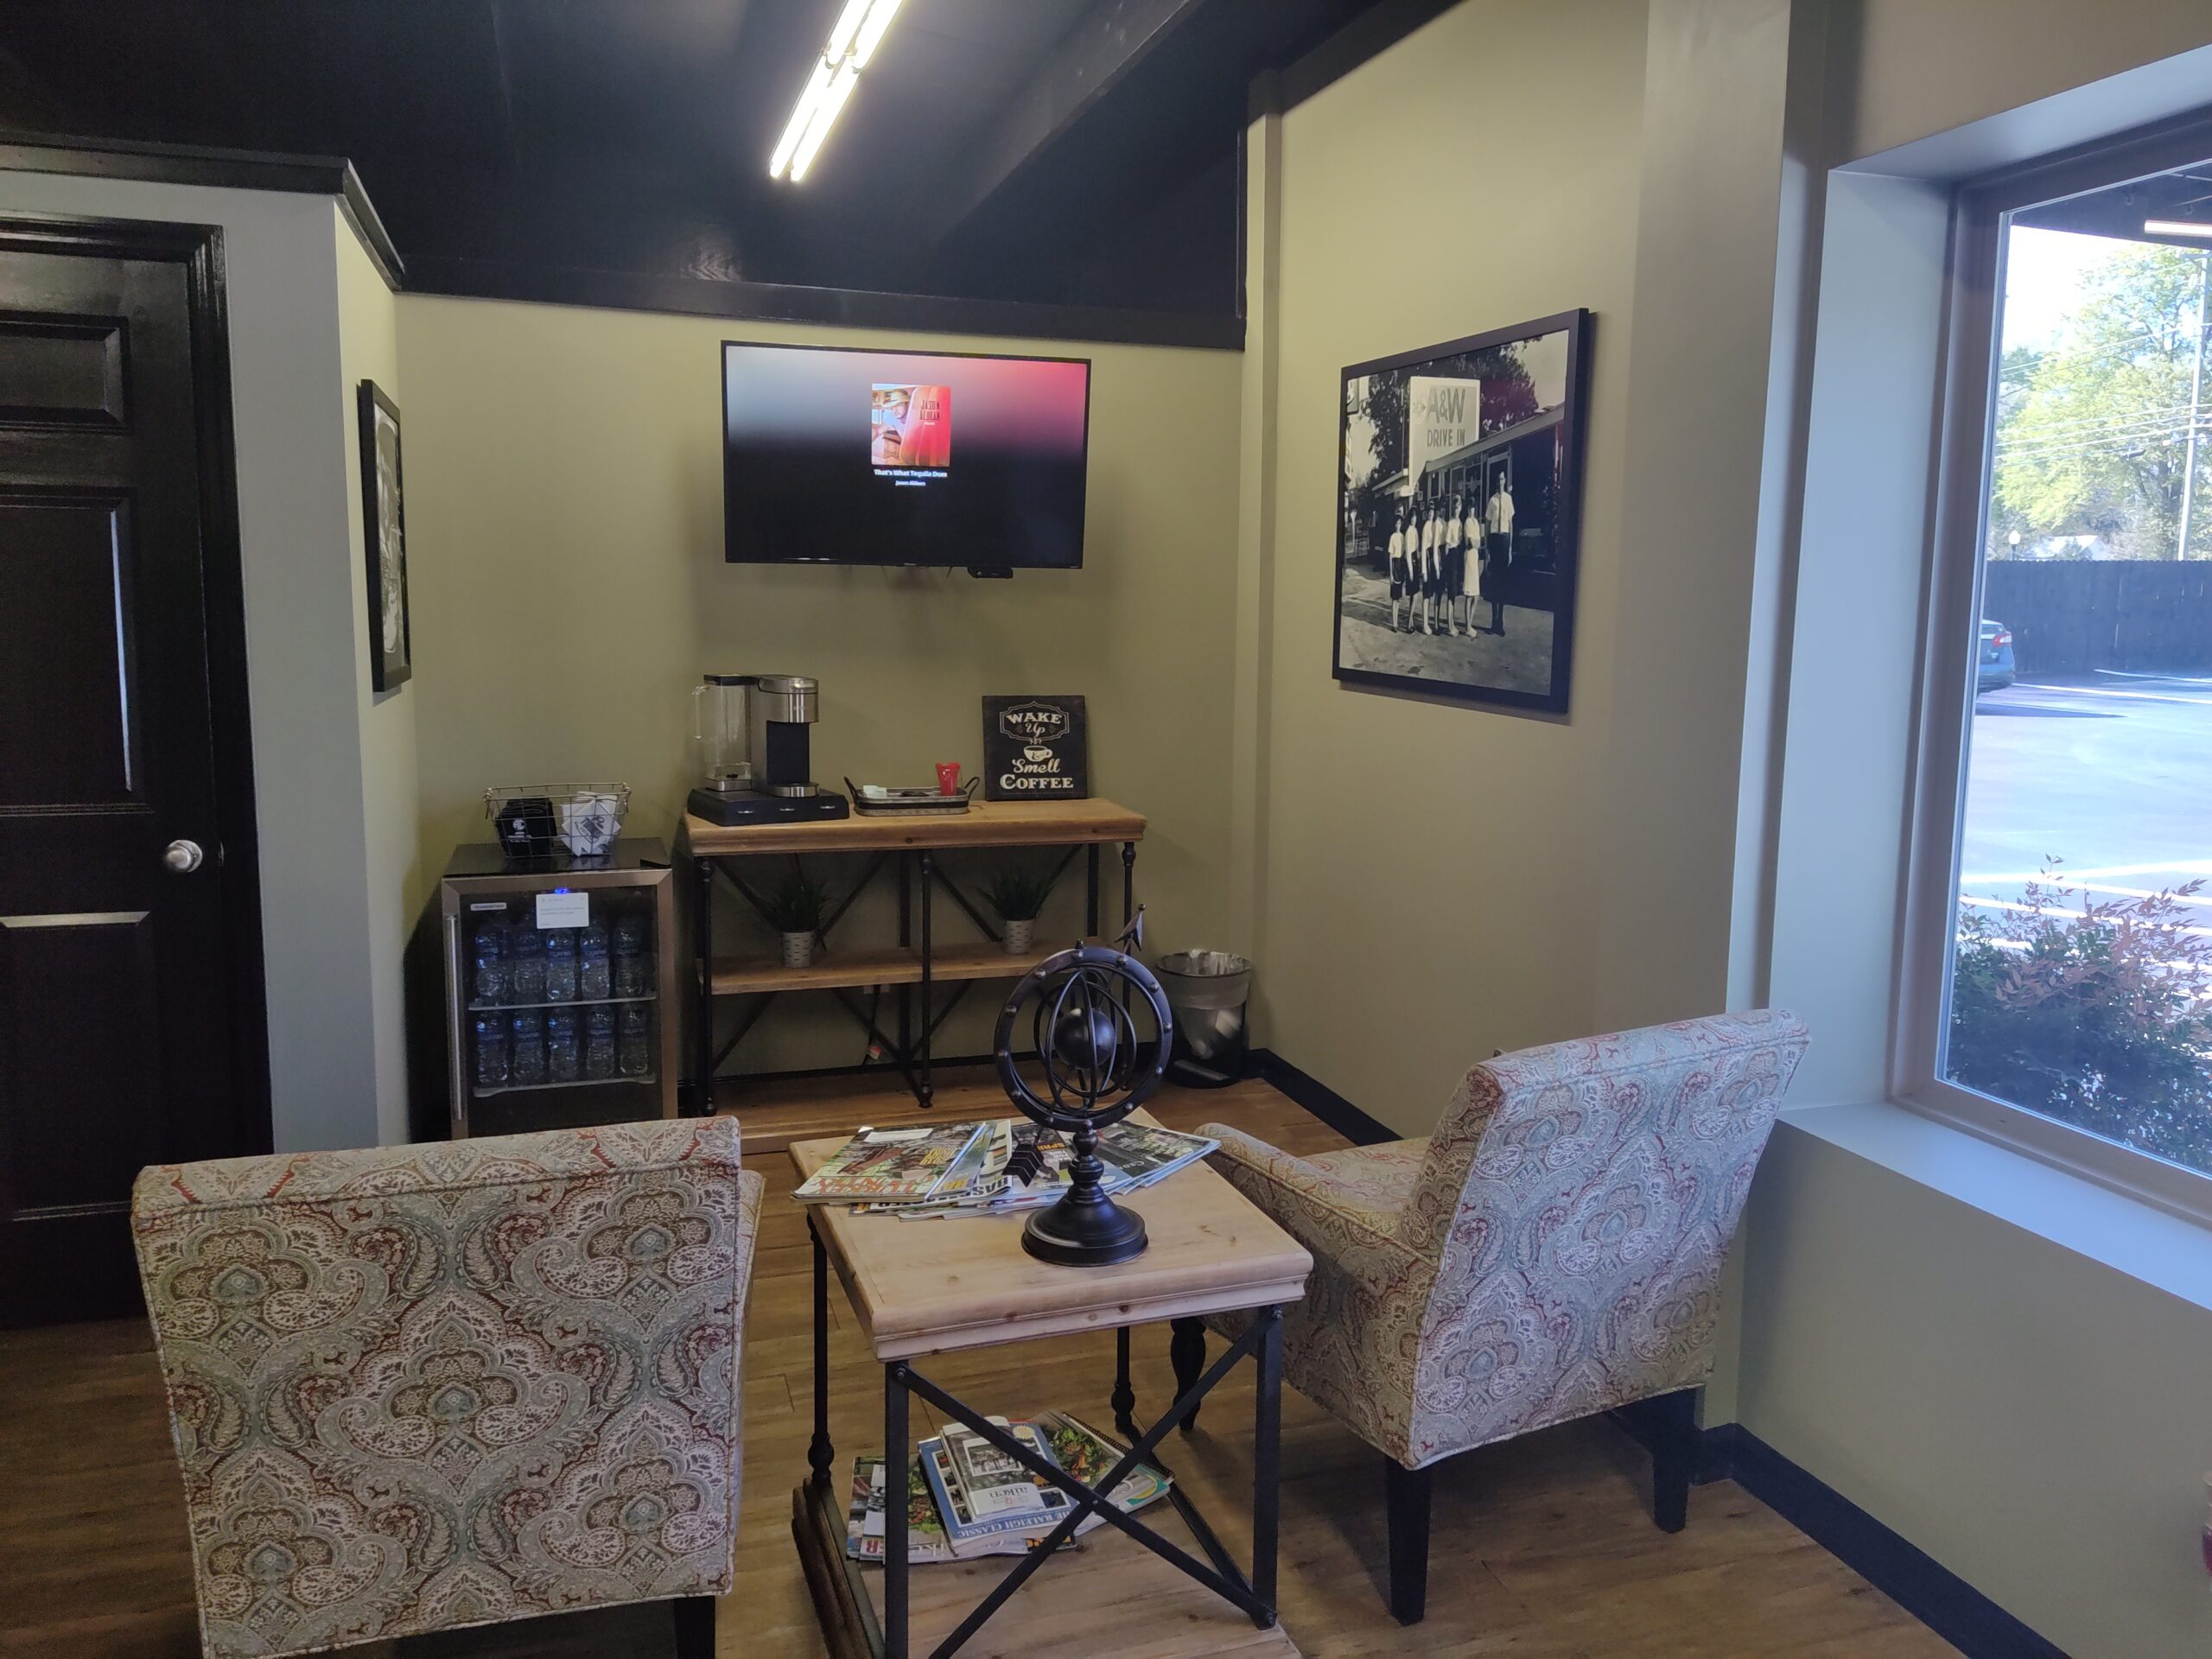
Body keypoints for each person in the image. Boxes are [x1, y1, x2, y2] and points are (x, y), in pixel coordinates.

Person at [1483, 473, 1516, 636]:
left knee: (1503, 583)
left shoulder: (1508, 500)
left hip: (1504, 540)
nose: (1500, 481)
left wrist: (1510, 549)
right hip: (1494, 540)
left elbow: (1510, 524)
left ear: (1505, 481)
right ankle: (1493, 621)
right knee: (1494, 582)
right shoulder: (1492, 500)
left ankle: (1500, 623)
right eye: (1498, 479)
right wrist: (1487, 549)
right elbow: (1488, 525)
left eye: (1502, 479)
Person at [1459, 487, 1484, 636]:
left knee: (1476, 595)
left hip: (1475, 558)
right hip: (1469, 557)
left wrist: (1477, 542)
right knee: (1469, 595)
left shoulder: (1475, 522)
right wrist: (1476, 542)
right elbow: (1472, 543)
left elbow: (1480, 542)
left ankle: (1470, 623)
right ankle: (1467, 626)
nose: (1472, 510)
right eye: (1470, 507)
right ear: (1468, 509)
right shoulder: (1468, 522)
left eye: (1474, 508)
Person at [1441, 492, 1465, 636]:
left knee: (1454, 592)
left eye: (1459, 507)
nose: (1457, 510)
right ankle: (1450, 625)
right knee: (1450, 592)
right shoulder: (1450, 524)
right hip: (1451, 556)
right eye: (1455, 507)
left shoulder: (1460, 523)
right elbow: (1447, 545)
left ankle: (1452, 624)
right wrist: (1446, 563)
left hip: (1458, 555)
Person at [1386, 500, 1409, 632]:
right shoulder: (1393, 537)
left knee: (1399, 597)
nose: (1398, 525)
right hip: (1395, 564)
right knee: (1394, 597)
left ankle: (1397, 622)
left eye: (1399, 523)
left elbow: (1405, 553)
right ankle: (1394, 623)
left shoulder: (1402, 537)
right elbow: (1390, 556)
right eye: (1396, 523)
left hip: (1401, 565)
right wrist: (1390, 574)